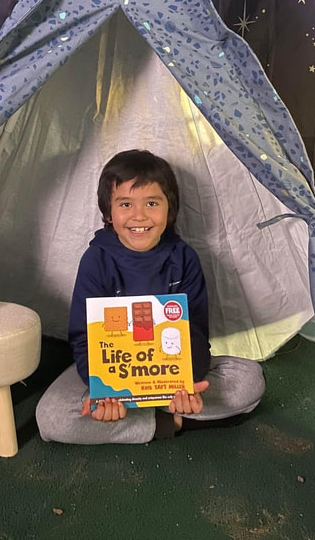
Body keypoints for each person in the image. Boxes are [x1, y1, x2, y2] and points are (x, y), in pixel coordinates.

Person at [35, 149, 265, 444]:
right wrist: (106, 392)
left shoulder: (184, 258)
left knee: (249, 380)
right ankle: (170, 422)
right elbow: (83, 338)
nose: (139, 216)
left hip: (169, 378)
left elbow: (195, 333)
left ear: (169, 210)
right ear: (108, 212)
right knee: (53, 418)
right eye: (126, 204)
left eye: (152, 203)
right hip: (113, 377)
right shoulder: (96, 260)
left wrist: (184, 385)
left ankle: (159, 414)